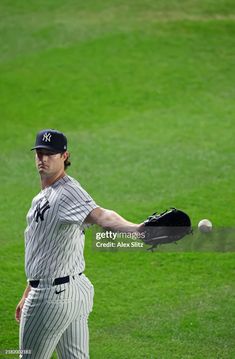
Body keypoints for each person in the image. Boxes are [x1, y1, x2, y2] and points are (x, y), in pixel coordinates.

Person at [15, 129, 142, 359]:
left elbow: (102, 216)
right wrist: (28, 291)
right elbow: (43, 249)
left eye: (50, 154)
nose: (43, 159)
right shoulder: (45, 196)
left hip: (51, 298)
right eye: (39, 153)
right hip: (72, 291)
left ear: (64, 156)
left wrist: (138, 230)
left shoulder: (68, 192)